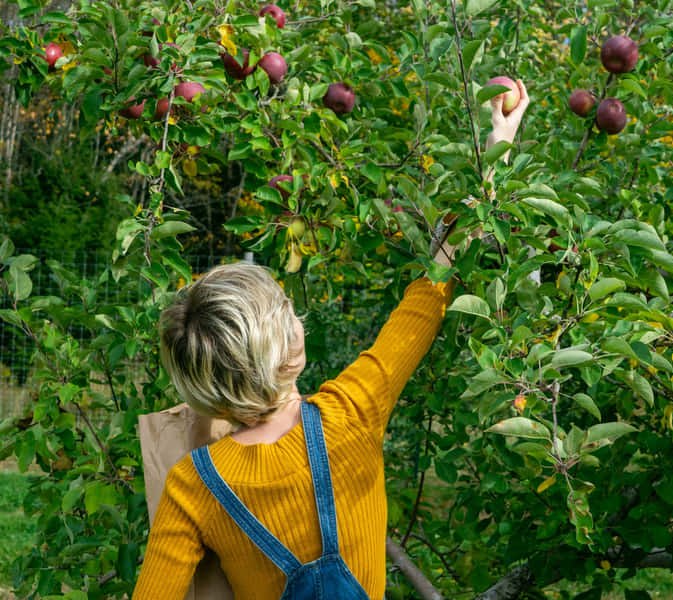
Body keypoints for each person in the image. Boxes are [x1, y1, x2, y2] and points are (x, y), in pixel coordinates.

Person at [132, 80, 530, 600]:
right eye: (288, 314)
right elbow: (424, 303)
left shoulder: (193, 486)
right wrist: (495, 144)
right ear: (288, 348)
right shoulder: (353, 413)